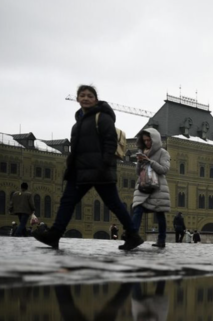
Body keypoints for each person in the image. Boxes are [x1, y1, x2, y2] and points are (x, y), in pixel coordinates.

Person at [33, 85, 142, 251]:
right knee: (67, 201)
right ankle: (55, 234)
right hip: (80, 171)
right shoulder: (77, 124)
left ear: (95, 100)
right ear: (77, 99)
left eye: (89, 96)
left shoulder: (103, 118)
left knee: (114, 204)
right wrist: (71, 165)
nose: (85, 98)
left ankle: (133, 235)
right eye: (82, 95)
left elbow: (110, 142)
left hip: (100, 170)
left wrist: (104, 164)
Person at [131, 128, 170, 248]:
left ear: (155, 140)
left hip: (157, 188)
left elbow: (164, 169)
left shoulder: (163, 153)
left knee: (159, 214)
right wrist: (139, 162)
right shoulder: (143, 151)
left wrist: (150, 161)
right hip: (143, 186)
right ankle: (133, 236)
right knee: (137, 209)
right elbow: (138, 172)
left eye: (149, 140)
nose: (147, 143)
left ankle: (161, 240)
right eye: (145, 140)